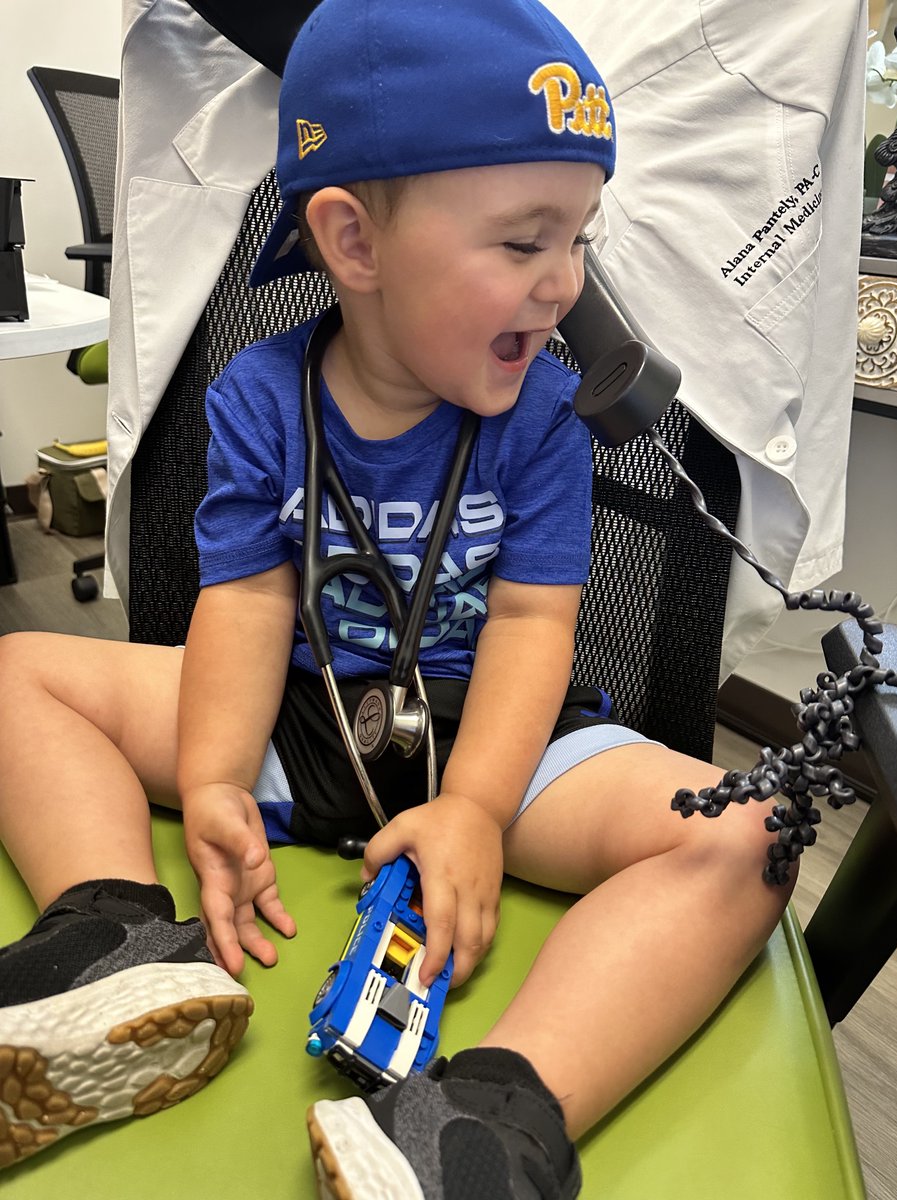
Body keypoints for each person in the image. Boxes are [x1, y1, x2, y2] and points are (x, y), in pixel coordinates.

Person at [0, 0, 793, 1193]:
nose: (564, 286)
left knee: (753, 826)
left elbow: (534, 622)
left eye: (578, 239)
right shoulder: (259, 400)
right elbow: (248, 607)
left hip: (495, 745)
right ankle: (112, 934)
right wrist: (216, 776)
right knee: (18, 672)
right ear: (355, 244)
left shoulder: (544, 426)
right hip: (294, 713)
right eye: (525, 243)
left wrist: (474, 808)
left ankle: (480, 1120)